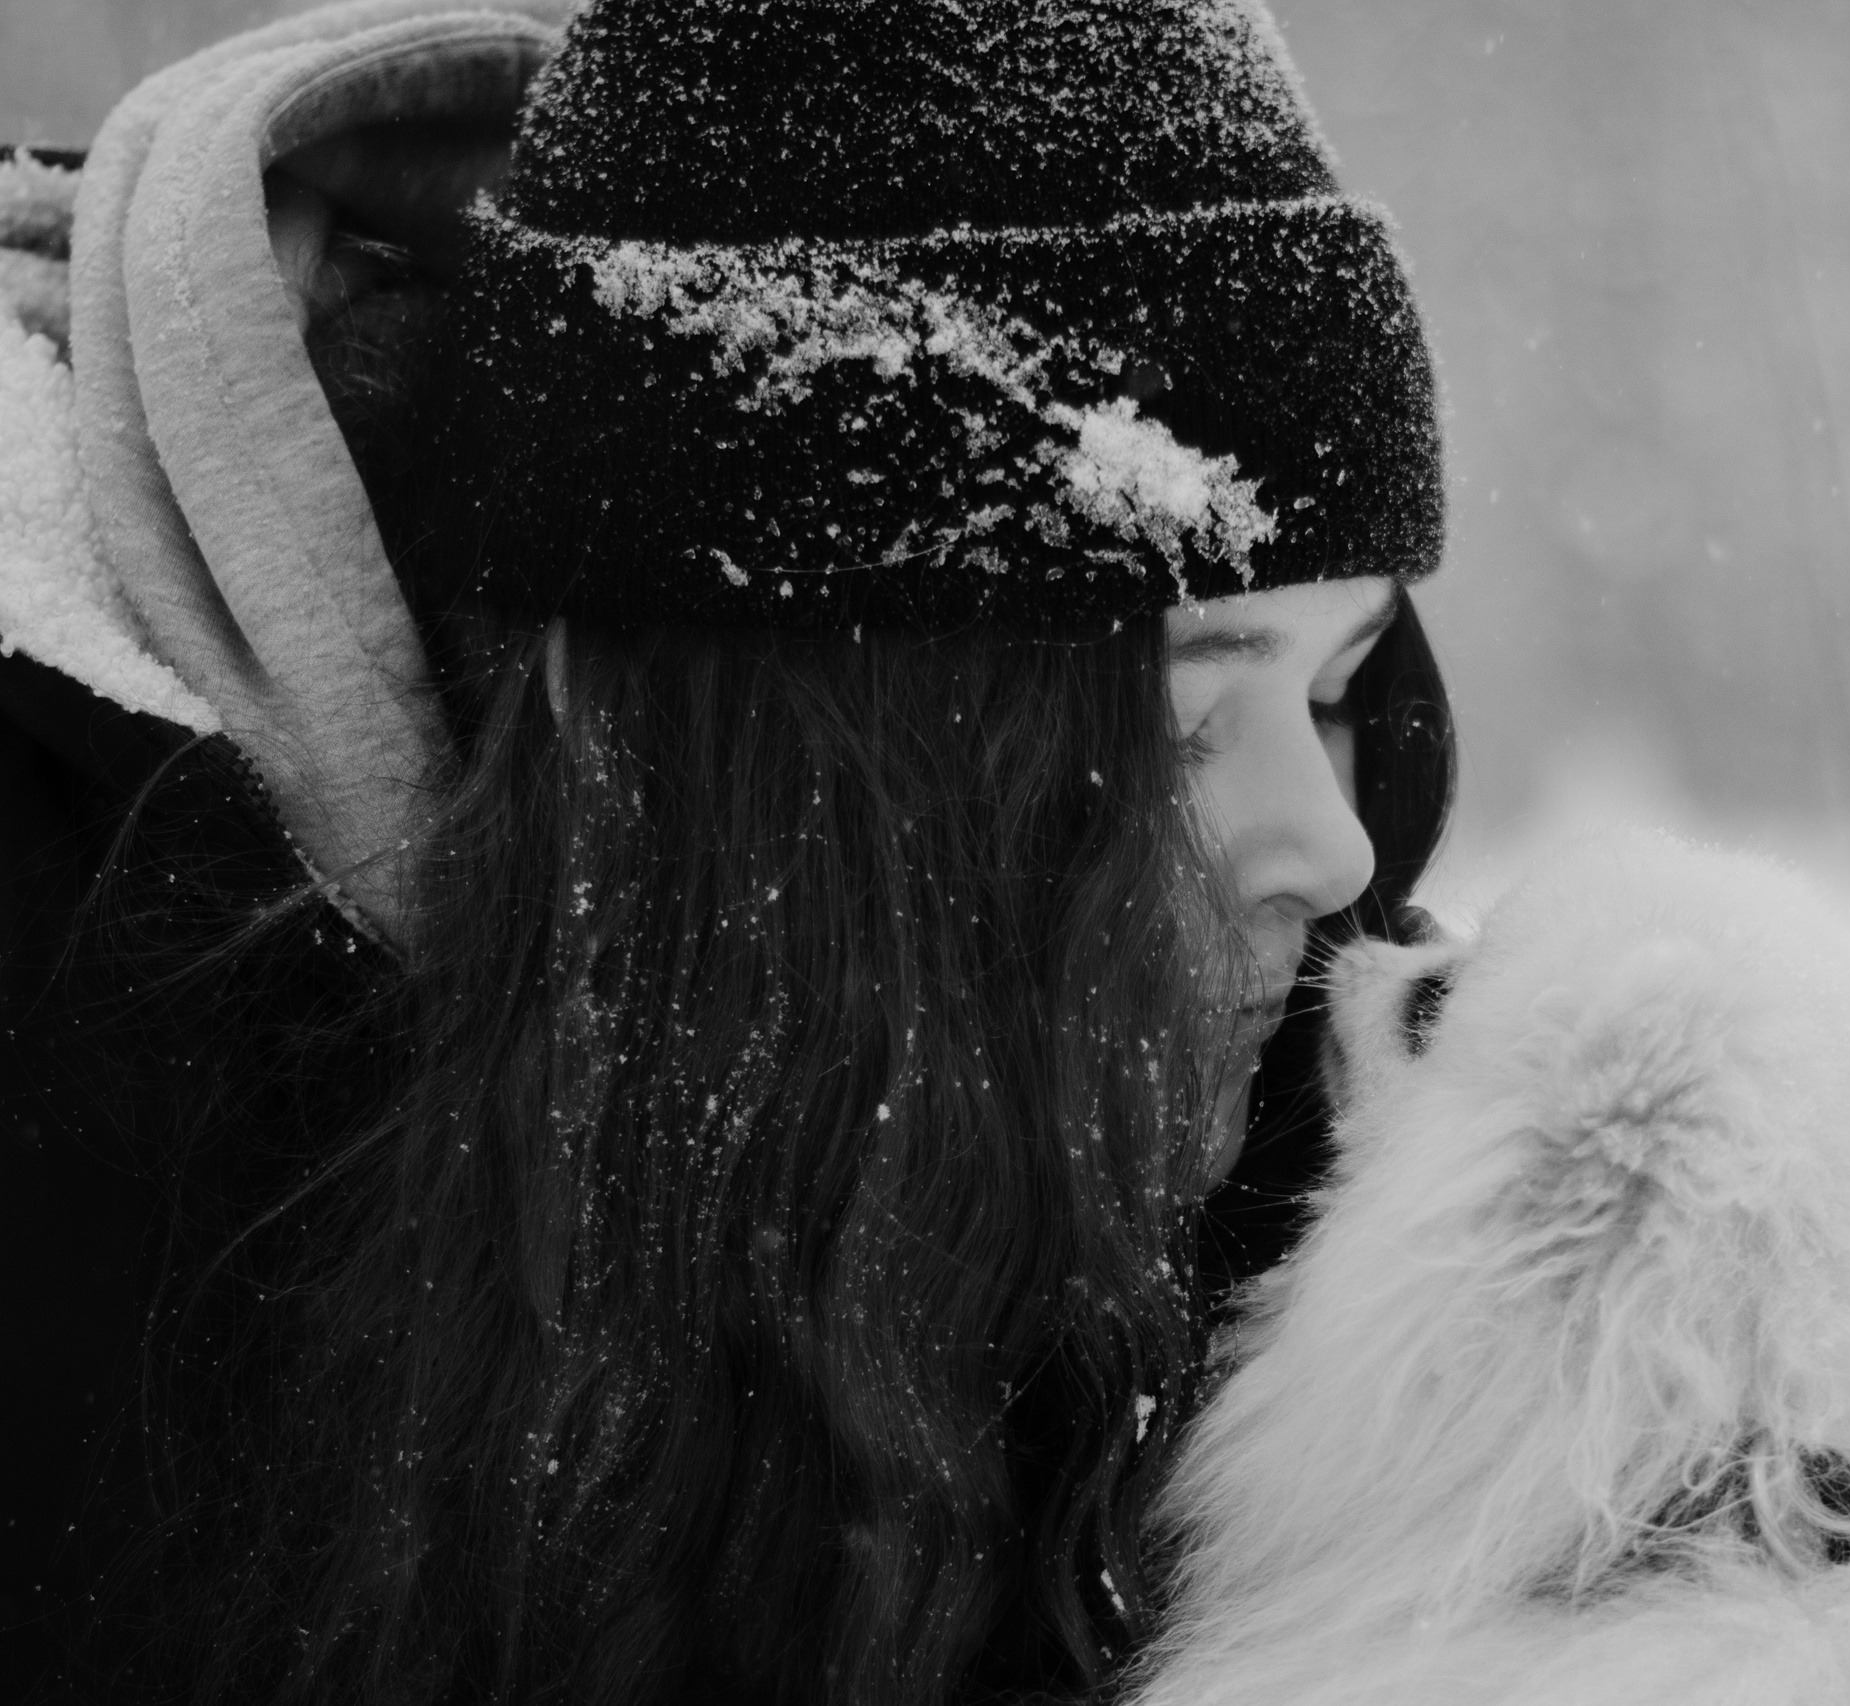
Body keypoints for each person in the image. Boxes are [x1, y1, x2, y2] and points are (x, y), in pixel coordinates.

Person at [0, 1, 1453, 1700]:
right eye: (1173, 729)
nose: (1335, 846)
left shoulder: (1268, 1116)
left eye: (1344, 687)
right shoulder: (84, 1106)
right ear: (807, 776)